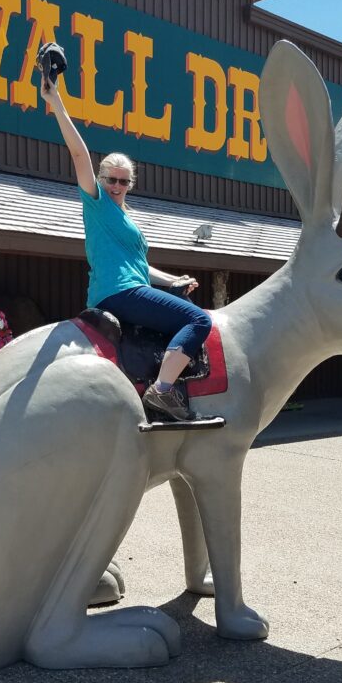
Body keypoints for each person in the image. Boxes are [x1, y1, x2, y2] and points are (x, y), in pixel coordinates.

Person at [39, 51, 211, 422]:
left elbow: (141, 267)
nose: (116, 185)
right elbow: (79, 155)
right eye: (110, 179)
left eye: (123, 181)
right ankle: (163, 391)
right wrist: (57, 103)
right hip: (120, 292)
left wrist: (174, 280)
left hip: (131, 286)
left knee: (183, 312)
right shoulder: (97, 204)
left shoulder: (124, 217)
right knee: (199, 322)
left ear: (131, 184)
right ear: (101, 180)